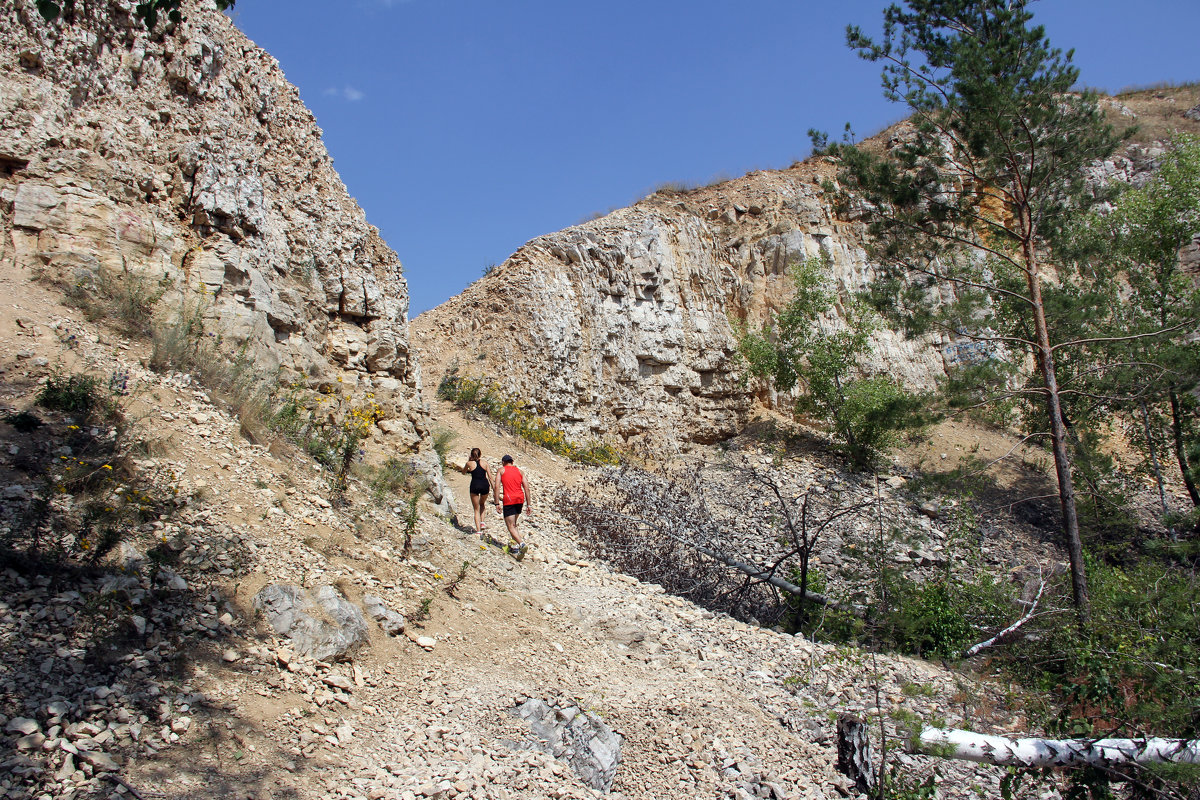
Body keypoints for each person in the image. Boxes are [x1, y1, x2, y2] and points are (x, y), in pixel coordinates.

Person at [494, 454, 533, 561]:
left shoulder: (501, 470)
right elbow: (527, 488)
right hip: (520, 499)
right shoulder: (520, 471)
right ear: (512, 461)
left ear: (503, 462)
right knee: (514, 524)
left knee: (510, 526)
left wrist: (496, 502)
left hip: (509, 499)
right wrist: (529, 504)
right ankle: (515, 547)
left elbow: (497, 486)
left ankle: (521, 544)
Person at [453, 447, 494, 534]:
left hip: (475, 485)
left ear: (471, 455)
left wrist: (469, 462)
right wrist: (494, 488)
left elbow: (463, 472)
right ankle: (482, 522)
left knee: (476, 509)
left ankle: (478, 531)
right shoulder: (485, 463)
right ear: (480, 454)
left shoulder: (469, 463)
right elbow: (490, 476)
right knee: (482, 504)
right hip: (485, 485)